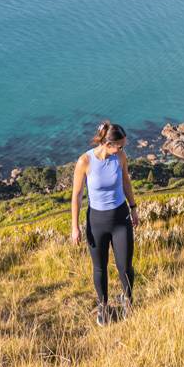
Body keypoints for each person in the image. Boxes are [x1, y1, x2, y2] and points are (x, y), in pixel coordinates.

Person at [71, 120, 139, 325]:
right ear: (108, 144)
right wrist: (74, 227)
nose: (122, 149)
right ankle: (103, 307)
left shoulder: (120, 157)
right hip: (97, 221)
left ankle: (128, 302)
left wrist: (134, 207)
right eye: (120, 146)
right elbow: (77, 195)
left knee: (124, 266)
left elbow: (126, 182)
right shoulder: (85, 161)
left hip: (120, 218)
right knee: (99, 267)